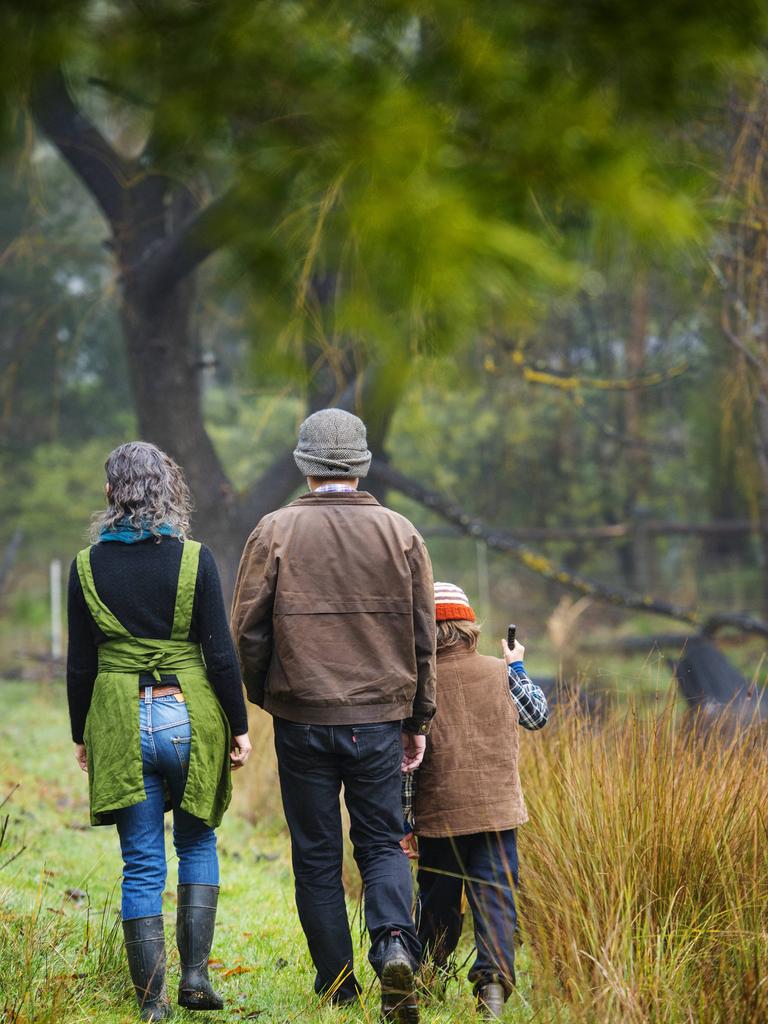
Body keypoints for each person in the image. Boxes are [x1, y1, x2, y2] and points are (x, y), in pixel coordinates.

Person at [231, 408, 436, 1023]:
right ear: (362, 465)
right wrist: (417, 719)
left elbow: (247, 632)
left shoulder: (274, 531)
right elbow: (425, 637)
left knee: (315, 853)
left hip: (301, 721)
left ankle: (338, 984)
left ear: (305, 465)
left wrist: (274, 696)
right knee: (381, 843)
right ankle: (395, 944)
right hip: (378, 719)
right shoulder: (402, 533)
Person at [66, 442, 252, 1022]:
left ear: (110, 494)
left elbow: (81, 665)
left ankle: (153, 1004)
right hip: (187, 714)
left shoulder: (85, 565)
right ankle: (196, 981)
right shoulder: (196, 559)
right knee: (197, 841)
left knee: (141, 863)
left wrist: (83, 734)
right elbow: (220, 655)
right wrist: (240, 727)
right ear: (168, 491)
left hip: (120, 719)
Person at [407, 582, 549, 1019]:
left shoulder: (417, 684)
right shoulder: (501, 672)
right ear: (470, 627)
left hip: (439, 816)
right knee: (496, 899)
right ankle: (492, 985)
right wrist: (518, 666)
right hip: (498, 816)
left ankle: (430, 980)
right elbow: (537, 715)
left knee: (437, 903)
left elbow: (406, 763)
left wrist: (404, 821)